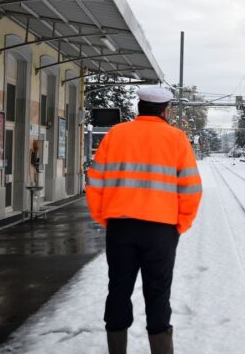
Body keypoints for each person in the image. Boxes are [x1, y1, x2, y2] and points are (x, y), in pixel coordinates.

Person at [86, 87, 203, 354]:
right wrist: (180, 225)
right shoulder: (176, 139)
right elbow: (191, 189)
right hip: (161, 232)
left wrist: (106, 218)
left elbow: (94, 182)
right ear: (165, 110)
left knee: (118, 290)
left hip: (120, 228)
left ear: (139, 107)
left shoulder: (115, 135)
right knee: (158, 294)